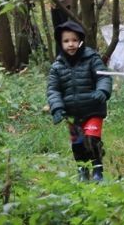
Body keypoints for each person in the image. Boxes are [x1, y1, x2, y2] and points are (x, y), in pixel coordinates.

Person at [47, 20, 112, 181]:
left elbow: (103, 77)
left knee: (91, 139)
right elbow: (53, 89)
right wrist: (57, 108)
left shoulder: (91, 58)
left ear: (81, 41)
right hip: (72, 114)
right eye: (66, 41)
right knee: (78, 144)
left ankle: (97, 171)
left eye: (74, 40)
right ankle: (82, 170)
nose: (71, 44)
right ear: (60, 43)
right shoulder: (57, 67)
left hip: (93, 109)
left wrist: (102, 90)